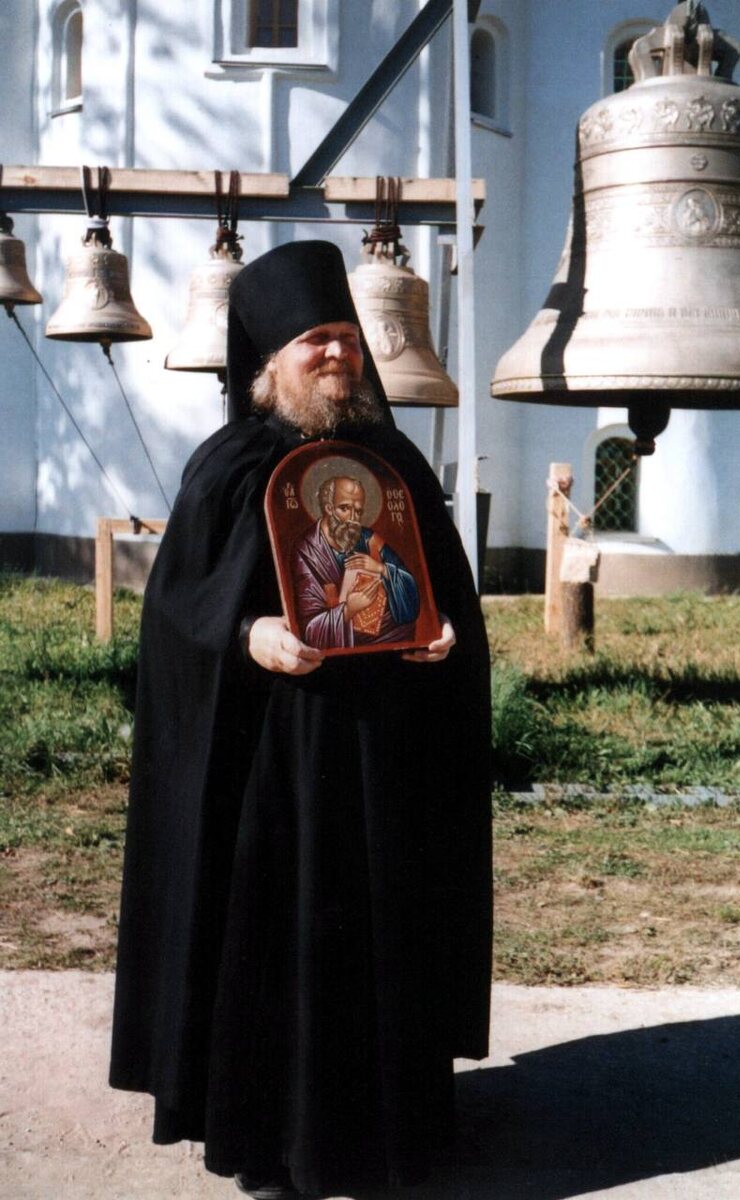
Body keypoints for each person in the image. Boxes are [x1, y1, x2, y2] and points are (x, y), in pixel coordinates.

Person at [109, 240, 493, 1200]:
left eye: (346, 340)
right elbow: (177, 614)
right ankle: (271, 1140)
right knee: (274, 941)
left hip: (384, 755)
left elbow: (432, 589)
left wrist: (442, 632)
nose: (336, 356)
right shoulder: (232, 466)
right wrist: (249, 635)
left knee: (383, 932)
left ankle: (392, 1129)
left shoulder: (393, 463)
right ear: (269, 361)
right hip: (270, 764)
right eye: (314, 341)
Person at [293, 474, 420, 649]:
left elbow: (410, 592)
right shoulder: (308, 551)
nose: (353, 518)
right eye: (344, 508)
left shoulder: (369, 539)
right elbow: (310, 628)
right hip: (346, 642)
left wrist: (381, 568)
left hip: (389, 636)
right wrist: (349, 609)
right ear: (329, 508)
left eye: (358, 511)